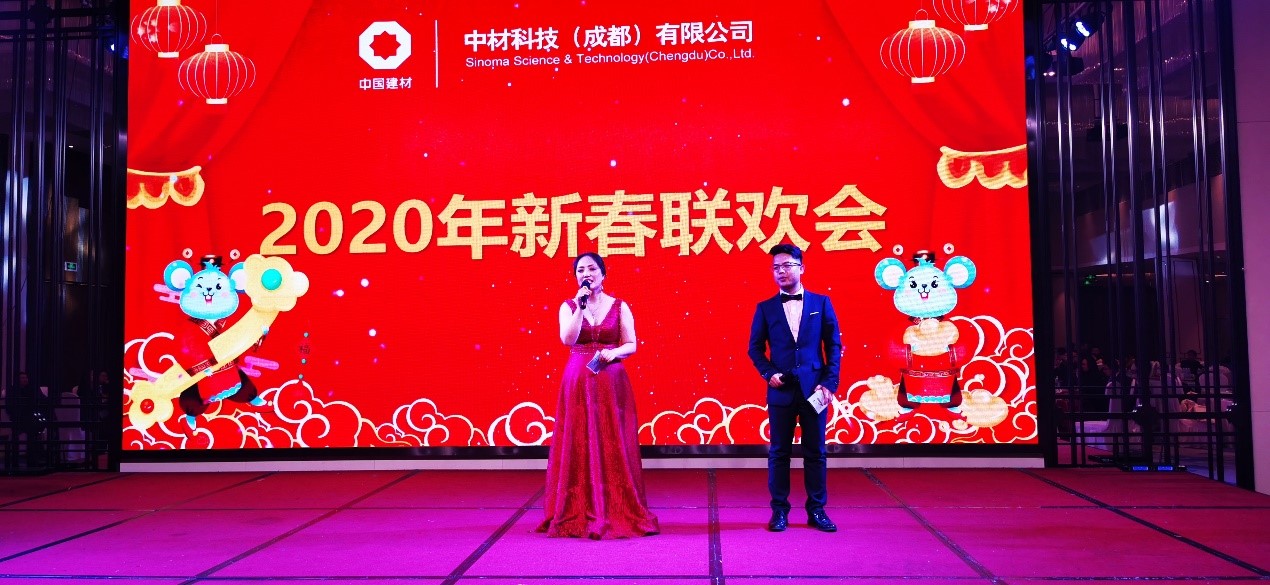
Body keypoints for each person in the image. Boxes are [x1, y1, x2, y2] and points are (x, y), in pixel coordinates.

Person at [538, 252, 659, 539]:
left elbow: (631, 343)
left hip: (611, 380)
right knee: (578, 438)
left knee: (611, 437)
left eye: (592, 268)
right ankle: (577, 508)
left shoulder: (619, 306)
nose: (586, 274)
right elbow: (567, 339)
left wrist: (613, 353)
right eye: (580, 270)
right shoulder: (569, 306)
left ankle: (617, 507)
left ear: (603, 274)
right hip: (578, 380)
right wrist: (580, 307)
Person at [747, 243, 842, 533]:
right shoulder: (765, 308)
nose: (781, 271)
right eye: (776, 267)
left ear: (801, 268)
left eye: (787, 265)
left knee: (816, 453)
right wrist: (768, 373)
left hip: (815, 391)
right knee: (779, 453)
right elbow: (754, 348)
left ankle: (817, 510)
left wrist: (829, 383)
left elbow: (833, 346)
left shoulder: (821, 303)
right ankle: (779, 512)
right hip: (781, 391)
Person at [4, 371, 52, 467]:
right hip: (18, 419)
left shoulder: (32, 388)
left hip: (33, 417)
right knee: (33, 429)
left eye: (26, 378)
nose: (25, 379)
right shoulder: (12, 390)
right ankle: (34, 458)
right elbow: (10, 407)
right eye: (22, 378)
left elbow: (43, 400)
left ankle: (38, 456)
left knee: (38, 426)